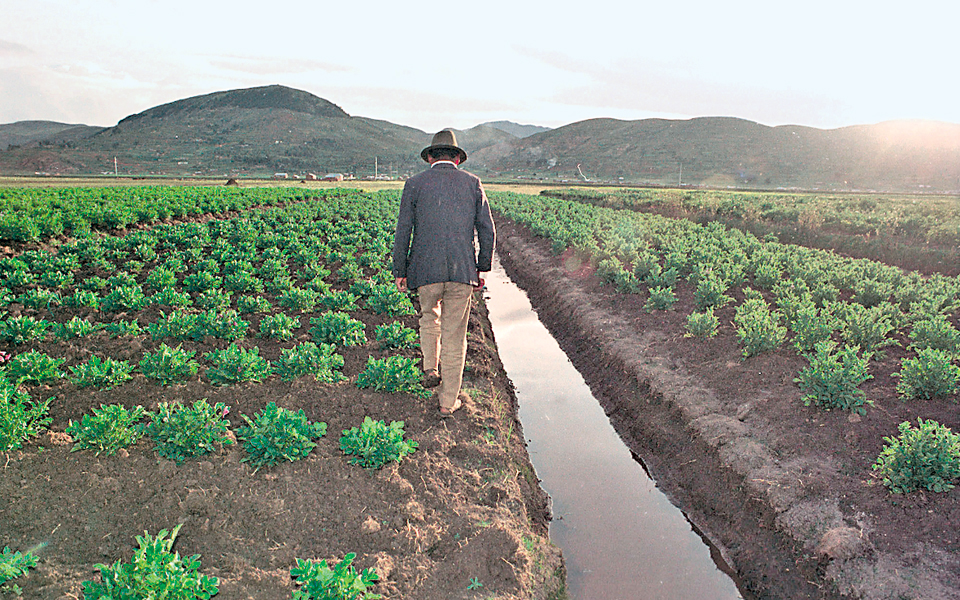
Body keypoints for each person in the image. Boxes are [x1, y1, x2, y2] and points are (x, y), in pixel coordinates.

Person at [392, 130, 496, 417]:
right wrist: (482, 267)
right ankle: (448, 402)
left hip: (425, 269)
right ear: (457, 159)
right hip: (462, 270)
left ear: (430, 157)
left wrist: (400, 269)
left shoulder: (414, 184)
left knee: (429, 316)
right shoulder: (473, 184)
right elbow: (487, 230)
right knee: (455, 335)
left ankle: (430, 367)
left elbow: (403, 231)